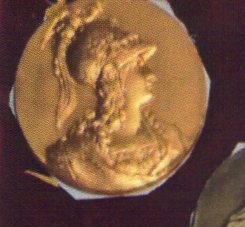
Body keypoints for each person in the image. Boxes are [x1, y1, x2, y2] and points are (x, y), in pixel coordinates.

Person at [43, 0, 184, 193]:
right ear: (112, 76)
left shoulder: (172, 142)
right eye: (138, 65)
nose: (151, 75)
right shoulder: (72, 160)